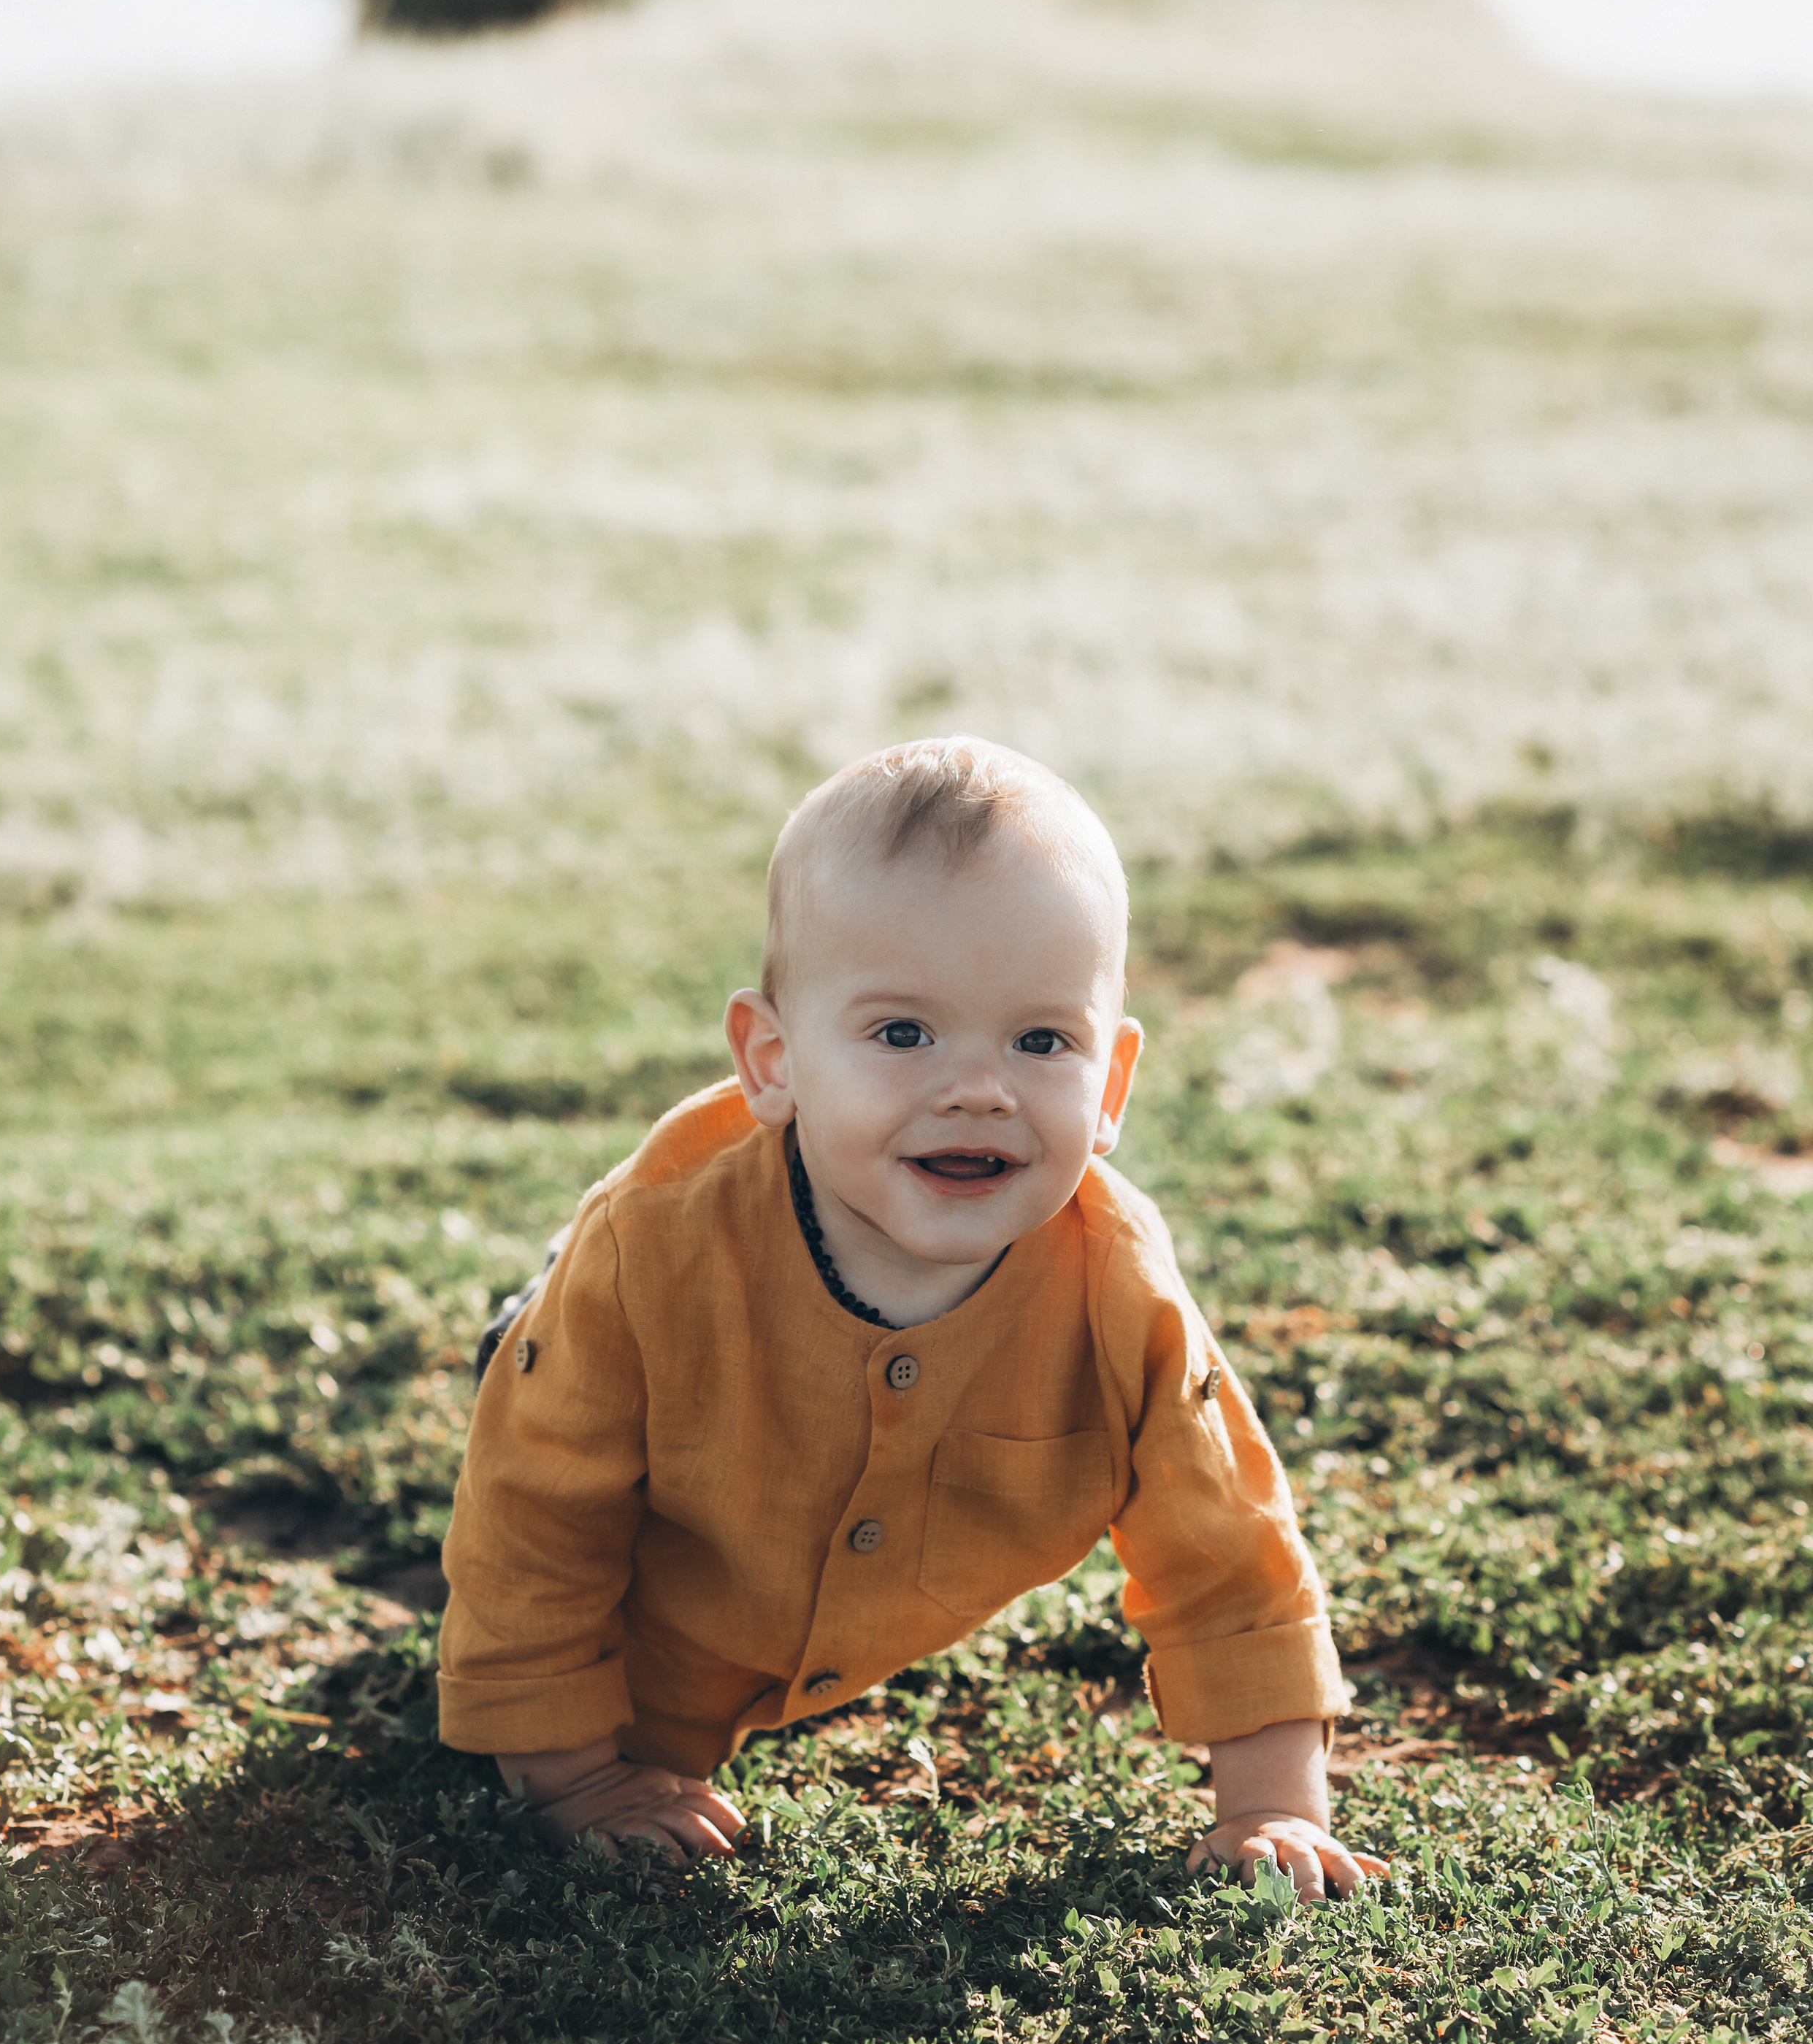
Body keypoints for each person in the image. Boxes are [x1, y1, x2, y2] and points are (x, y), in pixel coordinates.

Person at [438, 737, 1385, 1906]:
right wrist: (576, 1779)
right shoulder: (656, 1257)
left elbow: (1230, 1544)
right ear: (773, 1062)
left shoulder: (1118, 1290)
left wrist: (1274, 1806)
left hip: (801, 1584)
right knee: (530, 1411)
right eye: (902, 1034)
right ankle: (523, 1310)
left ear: (1113, 1088)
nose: (977, 1088)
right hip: (654, 1583)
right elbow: (536, 1522)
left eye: (1042, 1042)